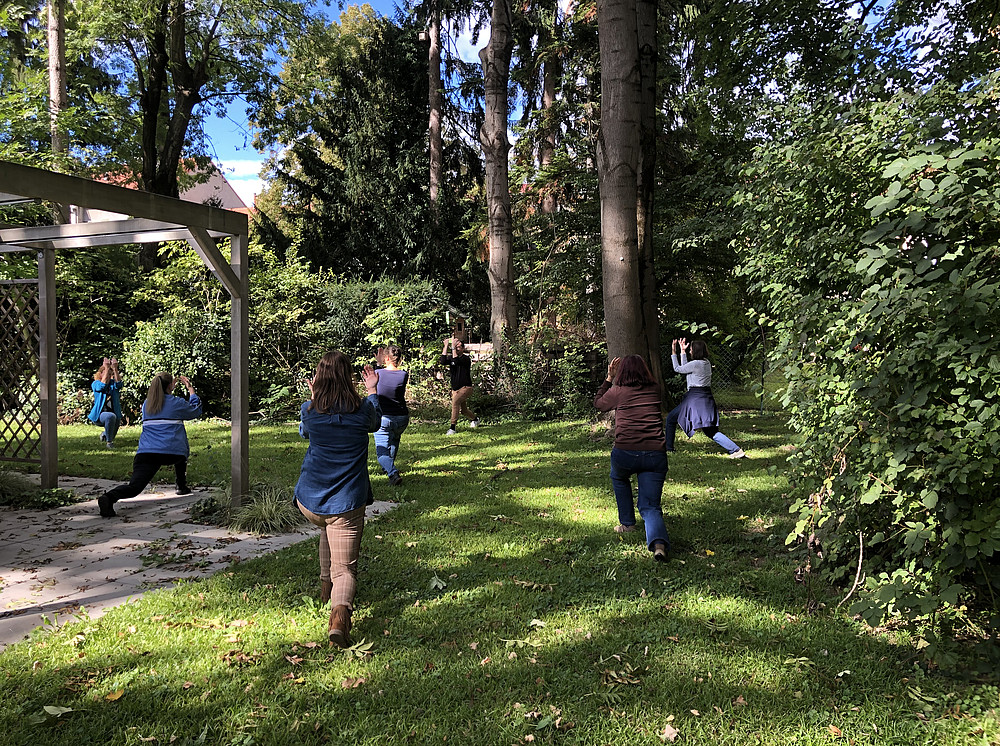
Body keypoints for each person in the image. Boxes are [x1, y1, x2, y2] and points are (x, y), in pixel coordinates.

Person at [294, 351, 381, 647]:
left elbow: (305, 432)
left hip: (310, 501)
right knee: (346, 569)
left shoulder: (309, 410)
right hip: (345, 502)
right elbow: (375, 423)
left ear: (319, 379)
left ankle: (324, 590)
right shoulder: (362, 411)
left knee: (326, 530)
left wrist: (315, 396)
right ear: (348, 378)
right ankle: (339, 617)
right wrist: (372, 390)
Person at [594, 355, 670, 562]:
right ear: (645, 371)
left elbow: (599, 404)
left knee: (619, 478)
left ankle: (627, 523)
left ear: (622, 372)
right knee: (650, 505)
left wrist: (609, 378)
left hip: (625, 453)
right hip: (655, 454)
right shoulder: (655, 390)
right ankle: (658, 544)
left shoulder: (618, 392)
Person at [97, 372, 202, 518]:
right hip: (172, 453)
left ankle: (109, 497)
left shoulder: (147, 404)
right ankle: (181, 485)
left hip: (146, 453)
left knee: (134, 487)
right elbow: (195, 410)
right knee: (181, 453)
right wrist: (191, 390)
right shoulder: (176, 402)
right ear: (171, 386)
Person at [665, 338, 746, 458]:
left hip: (695, 399)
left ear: (695, 351)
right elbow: (686, 368)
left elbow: (678, 369)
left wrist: (674, 351)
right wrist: (682, 351)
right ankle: (736, 450)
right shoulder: (706, 363)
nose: (690, 351)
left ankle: (669, 449)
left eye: (691, 350)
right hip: (705, 398)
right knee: (710, 431)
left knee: (671, 418)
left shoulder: (696, 364)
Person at [373, 345, 409, 486]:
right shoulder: (403, 374)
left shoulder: (378, 373)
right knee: (394, 440)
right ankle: (388, 467)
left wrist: (378, 363)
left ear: (386, 358)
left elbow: (376, 381)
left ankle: (392, 473)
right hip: (402, 418)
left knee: (381, 451)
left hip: (384, 418)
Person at [439, 336, 479, 435]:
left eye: (458, 347)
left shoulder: (465, 359)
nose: (456, 349)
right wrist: (445, 346)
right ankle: (475, 419)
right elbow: (443, 361)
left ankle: (452, 428)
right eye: (455, 347)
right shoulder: (452, 357)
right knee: (464, 410)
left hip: (466, 388)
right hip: (455, 389)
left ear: (463, 348)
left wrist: (452, 347)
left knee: (455, 403)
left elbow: (456, 362)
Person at [87, 357, 122, 448]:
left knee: (115, 418)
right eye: (107, 373)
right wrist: (106, 368)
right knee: (110, 416)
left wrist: (115, 369)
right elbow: (102, 386)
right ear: (100, 374)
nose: (109, 376)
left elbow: (119, 384)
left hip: (114, 416)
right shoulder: (96, 384)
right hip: (100, 415)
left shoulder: (113, 384)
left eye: (110, 374)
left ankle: (105, 435)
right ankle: (109, 443)